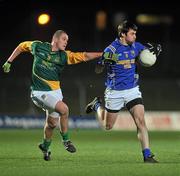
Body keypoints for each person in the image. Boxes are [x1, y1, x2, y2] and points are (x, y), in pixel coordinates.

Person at [2, 30, 102, 161]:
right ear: (56, 39)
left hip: (55, 93)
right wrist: (9, 61)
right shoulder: (38, 46)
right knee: (64, 109)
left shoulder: (64, 56)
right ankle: (66, 141)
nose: (66, 42)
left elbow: (84, 56)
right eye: (64, 39)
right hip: (39, 92)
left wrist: (102, 54)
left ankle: (45, 147)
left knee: (52, 124)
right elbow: (21, 46)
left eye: (67, 40)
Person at [85, 21, 161, 163]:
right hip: (115, 92)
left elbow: (149, 54)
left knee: (141, 122)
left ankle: (147, 155)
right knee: (107, 126)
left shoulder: (136, 46)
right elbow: (98, 70)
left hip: (132, 90)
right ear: (122, 34)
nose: (135, 36)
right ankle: (97, 106)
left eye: (135, 33)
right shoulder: (111, 50)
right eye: (132, 33)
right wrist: (101, 63)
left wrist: (155, 51)